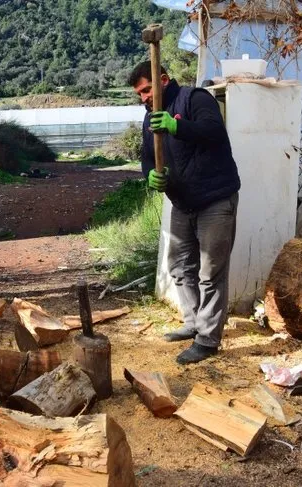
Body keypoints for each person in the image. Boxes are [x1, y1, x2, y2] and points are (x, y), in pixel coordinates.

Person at [129, 61, 241, 365]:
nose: (144, 98)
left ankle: (207, 339)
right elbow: (147, 158)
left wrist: (177, 126)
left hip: (216, 198)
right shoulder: (150, 119)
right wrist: (151, 174)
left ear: (162, 79)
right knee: (179, 266)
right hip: (182, 201)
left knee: (211, 272)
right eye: (139, 94)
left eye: (147, 89)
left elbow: (214, 132)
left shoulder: (195, 98)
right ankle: (193, 323)